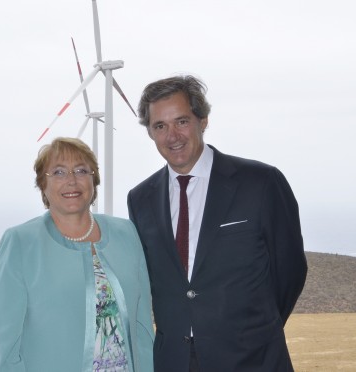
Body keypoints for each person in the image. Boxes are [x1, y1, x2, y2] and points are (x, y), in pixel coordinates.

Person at [127, 75, 307, 371]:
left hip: (252, 359)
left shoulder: (260, 183)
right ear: (150, 132)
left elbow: (290, 271)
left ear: (203, 120)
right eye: (160, 126)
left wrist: (253, 333)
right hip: (173, 361)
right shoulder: (140, 199)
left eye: (182, 121)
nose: (172, 136)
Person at [0, 137, 154, 372]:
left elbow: (143, 328)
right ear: (42, 185)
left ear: (94, 179)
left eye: (81, 170)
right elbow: (5, 346)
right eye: (58, 172)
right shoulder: (20, 242)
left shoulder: (126, 233)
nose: (71, 180)